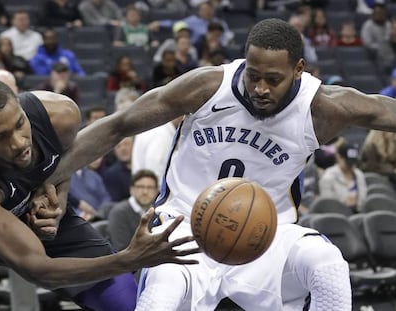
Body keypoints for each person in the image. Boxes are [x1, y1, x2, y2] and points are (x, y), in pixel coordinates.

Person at [47, 17, 387, 310]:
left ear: (298, 70)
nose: (260, 88)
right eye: (253, 75)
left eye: (273, 79)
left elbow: (382, 110)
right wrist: (55, 178)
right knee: (161, 296)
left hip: (266, 235)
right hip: (182, 227)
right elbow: (119, 124)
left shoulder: (323, 107)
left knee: (329, 265)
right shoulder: (208, 87)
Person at [0, 78, 199, 311]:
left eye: (19, 124)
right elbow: (39, 270)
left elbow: (66, 164)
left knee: (126, 304)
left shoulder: (59, 115)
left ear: (21, 107)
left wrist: (58, 200)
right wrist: (128, 259)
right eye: (0, 137)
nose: (18, 142)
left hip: (42, 222)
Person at [0, 69, 40, 311]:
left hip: (23, 213)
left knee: (26, 270)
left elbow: (54, 168)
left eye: (11, 86)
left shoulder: (32, 121)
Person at [108, 169, 159, 252]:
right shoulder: (119, 213)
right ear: (131, 190)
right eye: (140, 187)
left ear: (156, 191)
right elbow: (120, 250)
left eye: (150, 188)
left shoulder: (159, 212)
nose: (145, 192)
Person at [319, 139, 367, 212]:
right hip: (337, 216)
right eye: (348, 163)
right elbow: (327, 203)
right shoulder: (328, 177)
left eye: (353, 163)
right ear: (339, 157)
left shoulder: (359, 175)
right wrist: (344, 202)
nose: (351, 166)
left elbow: (363, 201)